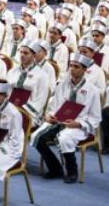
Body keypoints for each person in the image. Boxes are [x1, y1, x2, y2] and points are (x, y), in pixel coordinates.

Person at [34, 53, 102, 184]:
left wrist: (78, 123)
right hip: (60, 121)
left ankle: (72, 171)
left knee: (64, 138)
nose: (72, 69)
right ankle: (55, 167)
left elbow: (95, 117)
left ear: (84, 70)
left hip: (79, 126)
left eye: (76, 67)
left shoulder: (92, 90)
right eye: (71, 66)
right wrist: (51, 115)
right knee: (36, 137)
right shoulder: (63, 84)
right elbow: (54, 106)